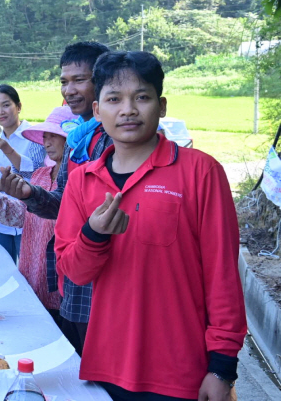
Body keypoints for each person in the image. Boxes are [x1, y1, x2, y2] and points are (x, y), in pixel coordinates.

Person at [55, 51, 246, 401]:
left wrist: (222, 366)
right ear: (97, 112)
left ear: (161, 106)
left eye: (141, 97)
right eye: (114, 99)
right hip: (108, 366)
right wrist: (94, 235)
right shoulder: (82, 180)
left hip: (182, 371)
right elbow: (73, 271)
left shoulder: (200, 172)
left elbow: (223, 276)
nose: (127, 110)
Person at [0, 41, 110, 355]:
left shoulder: (114, 139)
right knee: (79, 363)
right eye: (64, 81)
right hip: (73, 277)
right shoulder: (78, 139)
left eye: (79, 80)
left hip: (105, 281)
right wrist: (29, 193)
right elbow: (64, 203)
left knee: (103, 365)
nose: (70, 89)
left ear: (102, 80)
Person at [0, 105, 73, 324]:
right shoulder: (40, 174)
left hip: (59, 282)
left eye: (54, 136)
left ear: (72, 138)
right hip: (32, 274)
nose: (47, 142)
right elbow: (21, 215)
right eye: (45, 136)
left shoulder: (78, 178)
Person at [0, 84, 46, 263]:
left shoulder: (33, 136)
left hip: (29, 219)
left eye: (6, 105)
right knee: (0, 273)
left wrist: (6, 148)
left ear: (18, 106)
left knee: (30, 274)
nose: (0, 111)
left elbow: (35, 173)